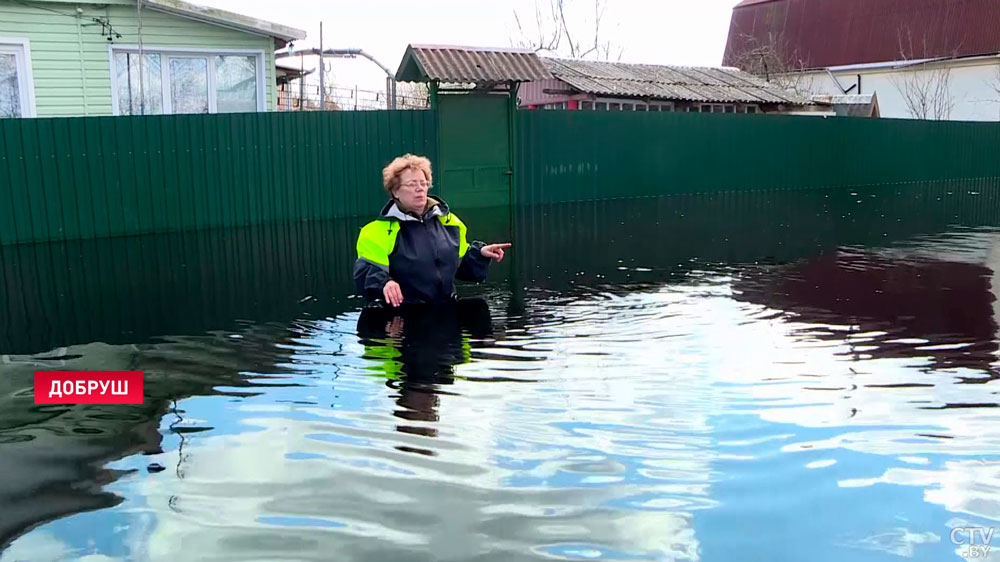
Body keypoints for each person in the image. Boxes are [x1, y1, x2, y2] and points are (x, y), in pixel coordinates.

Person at [353, 154, 511, 307]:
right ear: (395, 191)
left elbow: (460, 261)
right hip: (405, 317)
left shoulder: (449, 221)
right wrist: (385, 283)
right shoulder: (376, 231)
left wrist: (480, 253)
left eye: (423, 183)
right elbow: (366, 271)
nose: (419, 189)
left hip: (447, 313)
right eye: (412, 184)